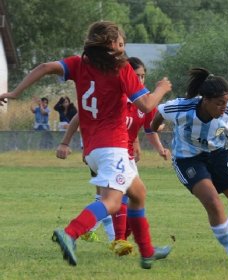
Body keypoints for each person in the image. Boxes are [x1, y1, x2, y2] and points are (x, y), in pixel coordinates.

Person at [0, 21, 172, 269]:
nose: (123, 49)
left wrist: (15, 92)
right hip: (112, 147)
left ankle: (146, 252)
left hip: (93, 148)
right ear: (110, 45)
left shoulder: (78, 64)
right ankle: (70, 233)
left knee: (138, 194)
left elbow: (45, 67)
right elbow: (146, 105)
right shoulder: (122, 69)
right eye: (121, 44)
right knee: (113, 201)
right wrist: (161, 89)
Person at [56, 56, 171, 257]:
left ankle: (141, 249)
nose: (140, 81)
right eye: (137, 76)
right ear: (126, 75)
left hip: (117, 154)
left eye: (143, 76)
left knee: (131, 195)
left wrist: (156, 147)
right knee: (117, 199)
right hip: (110, 152)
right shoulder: (117, 96)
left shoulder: (140, 100)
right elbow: (80, 116)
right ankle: (108, 238)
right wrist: (65, 143)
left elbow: (149, 128)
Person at [151, 67, 228, 268]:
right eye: (219, 103)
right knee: (212, 201)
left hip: (217, 155)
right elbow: (157, 116)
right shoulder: (181, 108)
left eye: (226, 102)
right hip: (188, 160)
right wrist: (156, 128)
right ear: (205, 100)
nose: (224, 107)